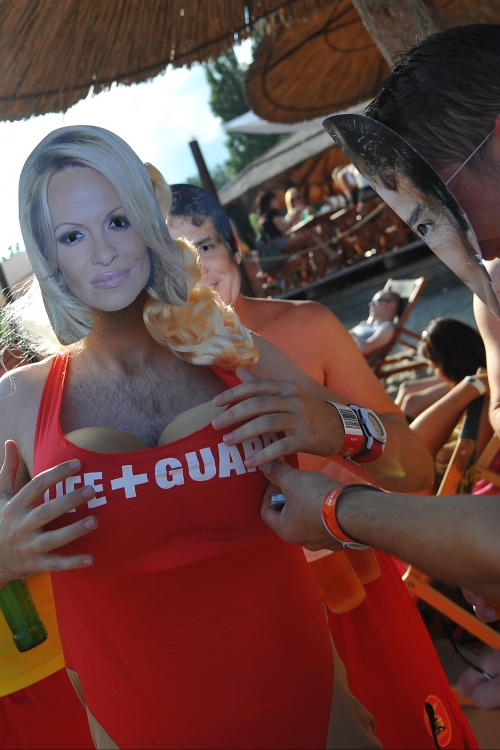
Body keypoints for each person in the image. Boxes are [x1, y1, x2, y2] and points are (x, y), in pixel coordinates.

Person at [0, 124, 430, 749]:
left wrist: (335, 426)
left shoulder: (232, 351)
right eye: (73, 235)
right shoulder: (18, 402)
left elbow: (413, 470)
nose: (104, 253)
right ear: (48, 255)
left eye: (119, 221)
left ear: (149, 221)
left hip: (314, 716)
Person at [168, 184, 479, 750]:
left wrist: (339, 434)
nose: (194, 273)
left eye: (204, 247)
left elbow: (415, 471)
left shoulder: (307, 327)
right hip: (251, 630)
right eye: (171, 259)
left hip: (356, 583)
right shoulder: (150, 384)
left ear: (235, 245)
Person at [267, 23, 500, 713]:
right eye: (419, 220)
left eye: (435, 207)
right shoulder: (491, 298)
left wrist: (341, 509)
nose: (438, 237)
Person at [396, 317, 487, 421]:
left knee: (411, 401)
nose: (437, 375)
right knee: (408, 390)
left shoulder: (472, 394)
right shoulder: (483, 363)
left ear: (452, 362)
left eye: (435, 368)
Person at [349, 290, 401, 358]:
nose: (371, 304)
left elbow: (365, 349)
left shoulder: (387, 327)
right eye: (371, 302)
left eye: (377, 302)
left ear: (392, 305)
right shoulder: (366, 324)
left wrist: (350, 334)